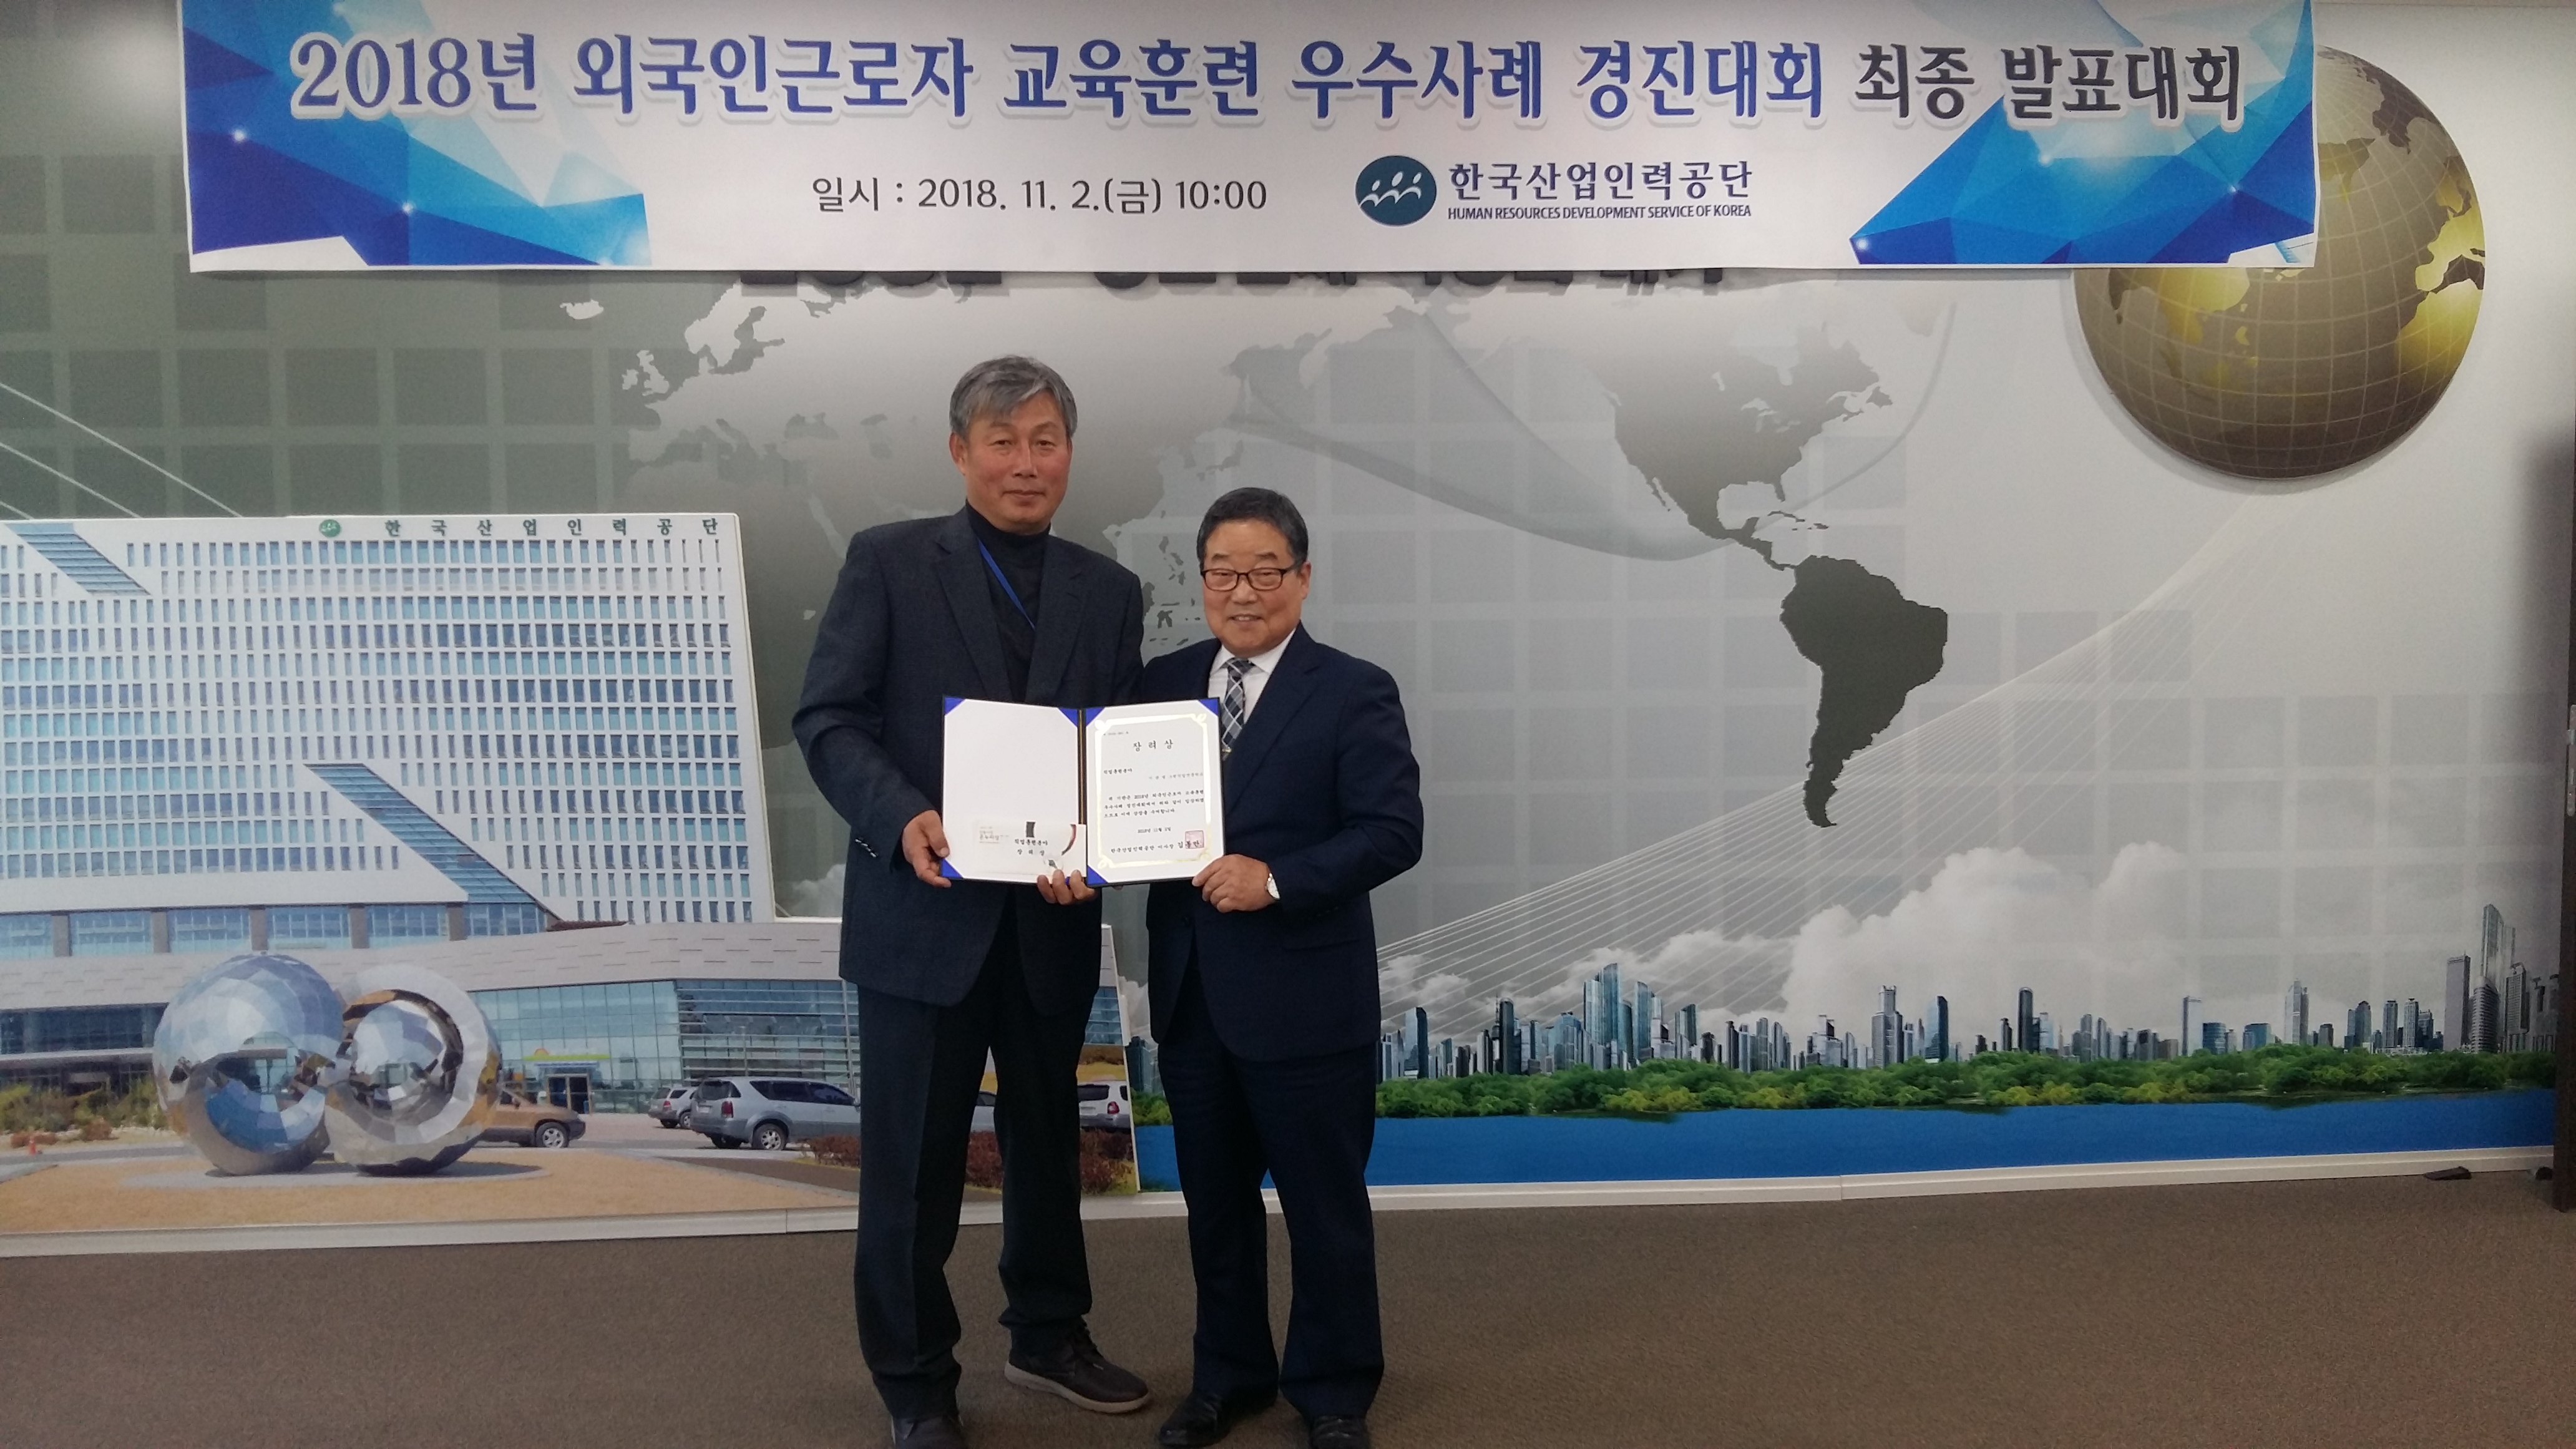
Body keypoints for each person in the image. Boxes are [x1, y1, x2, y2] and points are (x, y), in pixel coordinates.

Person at [793, 356, 1151, 1449]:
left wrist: (1101, 851)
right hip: (923, 918)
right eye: (1003, 442)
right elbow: (829, 719)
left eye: (1046, 440)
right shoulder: (889, 562)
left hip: (1049, 920)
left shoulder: (1108, 590)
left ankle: (1048, 1332)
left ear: (1069, 454)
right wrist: (900, 814)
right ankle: (915, 1381)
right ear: (961, 452)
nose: (1025, 463)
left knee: (1048, 1144)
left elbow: (1115, 756)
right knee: (913, 1166)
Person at [1139, 488, 1424, 1449]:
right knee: (1215, 1211)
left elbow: (1393, 831)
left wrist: (1277, 879)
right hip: (1192, 999)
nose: (1244, 590)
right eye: (1224, 570)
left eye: (1266, 570)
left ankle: (1335, 1391)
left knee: (1322, 1210)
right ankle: (1228, 1377)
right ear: (1202, 580)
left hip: (1307, 996)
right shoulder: (1160, 684)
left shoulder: (1353, 689)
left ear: (1303, 578)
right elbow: (1114, 811)